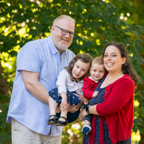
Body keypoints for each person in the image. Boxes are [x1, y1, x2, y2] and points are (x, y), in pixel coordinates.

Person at [6, 15, 81, 144]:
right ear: (53, 29)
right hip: (28, 123)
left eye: (71, 33)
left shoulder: (72, 57)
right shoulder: (33, 48)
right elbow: (31, 83)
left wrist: (77, 102)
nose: (67, 36)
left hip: (55, 128)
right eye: (64, 31)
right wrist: (59, 105)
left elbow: (75, 86)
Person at [82, 42, 138, 144]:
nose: (108, 58)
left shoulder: (126, 82)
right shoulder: (103, 77)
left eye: (114, 55)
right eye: (106, 55)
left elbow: (108, 107)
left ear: (123, 60)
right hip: (93, 135)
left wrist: (87, 109)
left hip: (112, 138)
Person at [48, 53, 93, 126]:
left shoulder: (86, 80)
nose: (78, 71)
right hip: (58, 110)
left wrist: (82, 98)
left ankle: (63, 117)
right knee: (53, 92)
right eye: (77, 67)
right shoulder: (65, 72)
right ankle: (52, 115)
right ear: (74, 63)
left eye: (83, 70)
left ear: (88, 71)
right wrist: (64, 97)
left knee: (72, 95)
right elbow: (60, 84)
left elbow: (89, 92)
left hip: (72, 113)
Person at [81, 56, 106, 135]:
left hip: (99, 107)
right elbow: (85, 91)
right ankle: (86, 125)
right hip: (89, 102)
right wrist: (92, 94)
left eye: (100, 71)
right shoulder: (88, 80)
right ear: (90, 69)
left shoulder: (103, 80)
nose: (97, 73)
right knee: (88, 113)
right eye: (94, 70)